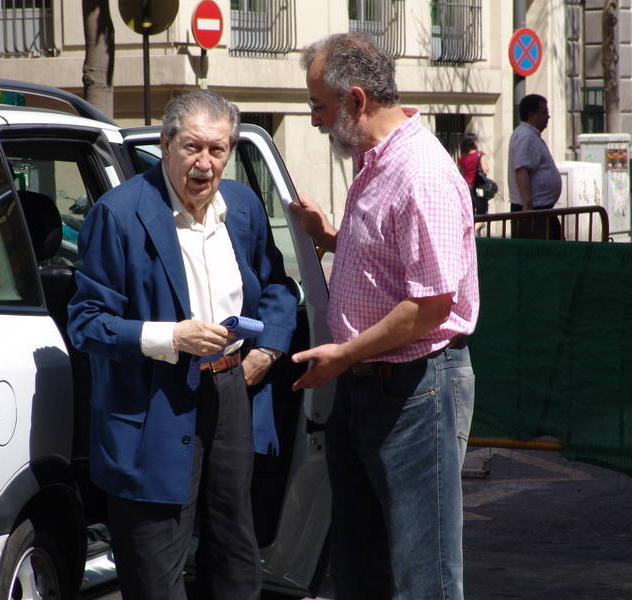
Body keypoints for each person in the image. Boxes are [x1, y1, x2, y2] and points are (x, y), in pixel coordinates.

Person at [67, 90, 296, 600]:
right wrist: (172, 336)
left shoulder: (242, 206)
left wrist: (267, 350)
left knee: (236, 543)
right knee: (155, 555)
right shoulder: (120, 214)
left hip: (230, 390)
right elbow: (86, 322)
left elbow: (278, 286)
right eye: (193, 147)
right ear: (167, 144)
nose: (205, 163)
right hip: (152, 402)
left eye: (218, 150)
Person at [290, 33, 480, 600]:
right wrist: (330, 238)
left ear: (354, 100)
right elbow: (390, 260)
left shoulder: (419, 172)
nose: (315, 120)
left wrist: (343, 354)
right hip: (369, 385)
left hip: (413, 390)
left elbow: (430, 304)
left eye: (318, 106)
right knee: (361, 563)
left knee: (424, 575)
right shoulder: (375, 161)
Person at [507, 93, 563, 239]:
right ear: (531, 115)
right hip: (533, 213)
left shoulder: (530, 135)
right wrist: (528, 206)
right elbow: (521, 170)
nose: (548, 117)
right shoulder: (525, 135)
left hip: (541, 211)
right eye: (544, 113)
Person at [457, 132, 491, 217]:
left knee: (470, 214)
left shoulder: (461, 158)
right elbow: (484, 169)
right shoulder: (479, 155)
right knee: (483, 213)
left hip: (465, 187)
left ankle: (471, 228)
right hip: (477, 187)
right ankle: (474, 230)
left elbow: (457, 172)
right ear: (474, 142)